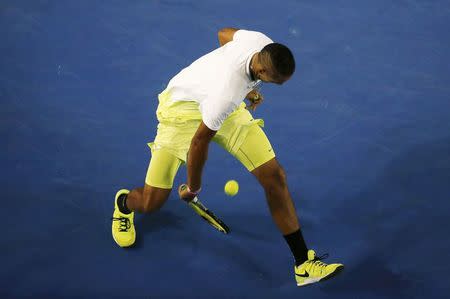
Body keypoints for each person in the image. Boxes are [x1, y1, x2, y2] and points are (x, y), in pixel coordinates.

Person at [111, 27, 344, 287]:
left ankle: (303, 264)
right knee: (152, 202)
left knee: (274, 176)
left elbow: (224, 34)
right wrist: (193, 188)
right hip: (181, 114)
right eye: (274, 81)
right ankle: (124, 204)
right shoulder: (226, 94)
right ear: (262, 71)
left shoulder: (260, 44)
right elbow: (199, 142)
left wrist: (245, 89)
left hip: (224, 108)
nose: (275, 86)